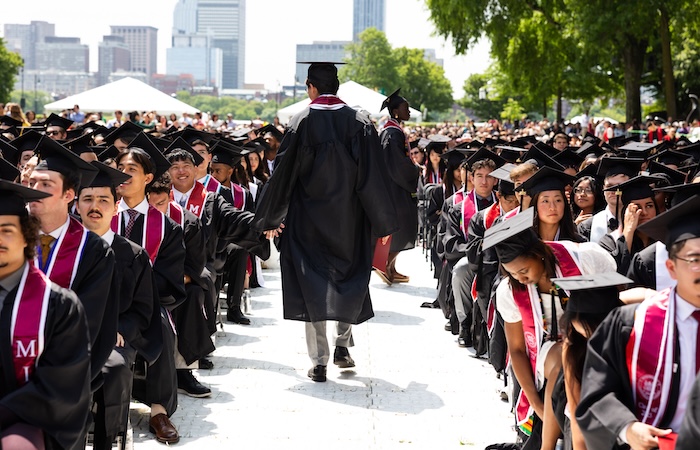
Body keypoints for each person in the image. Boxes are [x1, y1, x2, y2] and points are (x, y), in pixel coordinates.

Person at [253, 61, 398, 383]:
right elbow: (374, 176)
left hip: (308, 222)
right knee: (350, 279)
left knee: (313, 288)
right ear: (337, 86)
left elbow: (284, 176)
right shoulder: (360, 121)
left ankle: (318, 362)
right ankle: (342, 346)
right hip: (351, 220)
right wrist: (383, 222)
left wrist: (269, 217)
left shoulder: (300, 121)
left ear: (310, 87)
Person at [484, 208, 616, 450]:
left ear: (538, 254)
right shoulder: (509, 290)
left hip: (594, 338)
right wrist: (536, 404)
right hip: (547, 349)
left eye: (523, 271)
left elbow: (612, 303)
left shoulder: (584, 259)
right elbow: (517, 349)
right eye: (513, 274)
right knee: (563, 359)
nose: (520, 279)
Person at [577, 194, 700, 450]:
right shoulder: (631, 323)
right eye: (695, 260)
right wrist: (627, 428)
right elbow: (597, 394)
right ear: (672, 267)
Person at [76, 161, 161, 450]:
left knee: (112, 368)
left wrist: (118, 328)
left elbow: (143, 308)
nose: (94, 206)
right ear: (76, 205)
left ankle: (107, 440)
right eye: (87, 199)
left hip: (115, 337)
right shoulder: (65, 251)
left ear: (115, 208)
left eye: (103, 200)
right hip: (69, 335)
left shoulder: (132, 254)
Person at [0, 180, 91, 450]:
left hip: (27, 421)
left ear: (28, 236)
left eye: (7, 231)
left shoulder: (59, 306)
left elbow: (60, 386)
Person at [27, 136, 117, 393]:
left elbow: (89, 323)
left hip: (63, 372)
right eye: (31, 182)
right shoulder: (8, 239)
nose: (34, 189)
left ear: (69, 195)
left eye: (45, 184)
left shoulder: (93, 251)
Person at [113, 134, 186, 444]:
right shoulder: (102, 216)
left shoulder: (167, 227)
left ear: (148, 178)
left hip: (148, 303)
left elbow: (169, 279)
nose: (124, 175)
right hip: (102, 302)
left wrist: (134, 298)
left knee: (161, 328)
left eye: (131, 169)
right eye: (120, 168)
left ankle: (158, 410)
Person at [552, 272, 629, 450]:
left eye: (596, 331)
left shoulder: (632, 334)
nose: (593, 340)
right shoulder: (573, 347)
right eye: (585, 333)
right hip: (591, 428)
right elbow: (577, 413)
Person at [378, 89, 421, 283]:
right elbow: (395, 163)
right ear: (395, 112)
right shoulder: (391, 133)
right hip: (394, 189)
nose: (409, 111)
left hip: (396, 187)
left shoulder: (394, 130)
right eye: (406, 108)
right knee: (401, 228)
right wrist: (414, 170)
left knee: (403, 228)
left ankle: (391, 267)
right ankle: (384, 265)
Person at [577, 157, 643, 243]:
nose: (614, 191)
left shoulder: (642, 220)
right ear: (603, 188)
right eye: (609, 186)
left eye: (620, 186)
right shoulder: (587, 226)